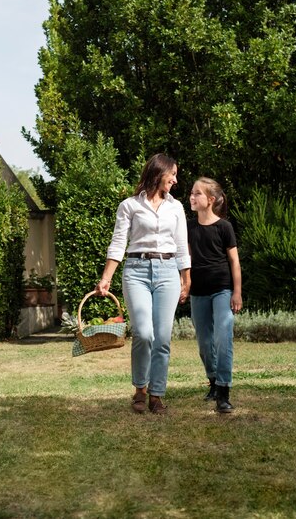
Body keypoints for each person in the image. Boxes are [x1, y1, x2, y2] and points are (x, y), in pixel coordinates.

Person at [95, 153, 191, 414]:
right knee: (143, 333)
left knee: (162, 337)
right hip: (136, 271)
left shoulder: (176, 207)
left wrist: (186, 278)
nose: (175, 179)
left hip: (168, 271)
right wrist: (106, 279)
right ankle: (140, 389)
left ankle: (157, 394)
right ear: (159, 173)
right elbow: (118, 243)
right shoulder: (129, 206)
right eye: (172, 173)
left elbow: (182, 245)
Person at [187, 177, 242, 413]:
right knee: (204, 343)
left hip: (222, 290)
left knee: (223, 338)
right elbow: (186, 260)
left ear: (210, 200)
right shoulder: (188, 227)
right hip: (198, 292)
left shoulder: (224, 227)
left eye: (197, 193)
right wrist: (184, 285)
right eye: (191, 192)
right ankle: (212, 379)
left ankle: (223, 392)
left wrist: (237, 292)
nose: (192, 196)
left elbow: (234, 262)